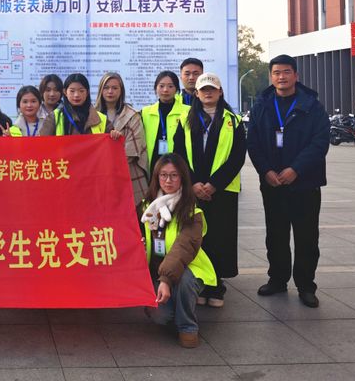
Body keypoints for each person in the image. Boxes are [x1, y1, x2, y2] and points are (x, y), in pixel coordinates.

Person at [247, 54, 329, 308]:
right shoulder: (262, 105)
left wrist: (296, 169)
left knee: (306, 237)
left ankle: (306, 286)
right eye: (276, 73)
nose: (281, 77)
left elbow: (320, 142)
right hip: (273, 184)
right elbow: (253, 142)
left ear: (296, 75)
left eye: (286, 72)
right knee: (276, 235)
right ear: (270, 77)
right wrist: (265, 171)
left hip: (305, 183)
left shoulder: (312, 105)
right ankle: (277, 280)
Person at [173, 73, 245, 308]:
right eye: (203, 89)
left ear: (220, 92)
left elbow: (237, 157)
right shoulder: (185, 119)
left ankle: (216, 287)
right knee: (196, 237)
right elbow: (179, 154)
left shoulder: (233, 121)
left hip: (222, 191)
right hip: (193, 189)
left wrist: (214, 184)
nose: (208, 93)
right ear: (196, 93)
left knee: (220, 238)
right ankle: (198, 285)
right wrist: (193, 182)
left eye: (212, 89)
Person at [140, 154, 217, 348]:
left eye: (174, 175)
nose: (168, 180)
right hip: (158, 271)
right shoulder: (148, 208)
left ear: (182, 177)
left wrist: (165, 280)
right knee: (160, 316)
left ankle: (187, 327)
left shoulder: (192, 212)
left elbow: (183, 248)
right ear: (156, 177)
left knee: (184, 282)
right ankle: (177, 306)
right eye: (163, 175)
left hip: (189, 268)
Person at [95, 72, 149, 208]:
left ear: (121, 91)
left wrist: (109, 166)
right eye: (106, 87)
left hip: (127, 174)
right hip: (98, 175)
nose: (110, 91)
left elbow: (132, 150)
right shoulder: (92, 114)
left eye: (115, 88)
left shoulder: (132, 115)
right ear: (101, 90)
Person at [141, 71, 190, 173]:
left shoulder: (187, 111)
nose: (165, 90)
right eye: (161, 86)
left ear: (176, 89)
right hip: (153, 164)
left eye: (170, 86)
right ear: (156, 88)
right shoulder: (145, 112)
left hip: (180, 164)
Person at [40, 73, 118, 137]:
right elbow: (42, 144)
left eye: (81, 91)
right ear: (65, 92)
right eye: (72, 91)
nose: (76, 95)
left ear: (87, 92)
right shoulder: (54, 117)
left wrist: (115, 135)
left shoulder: (101, 119)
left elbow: (111, 145)